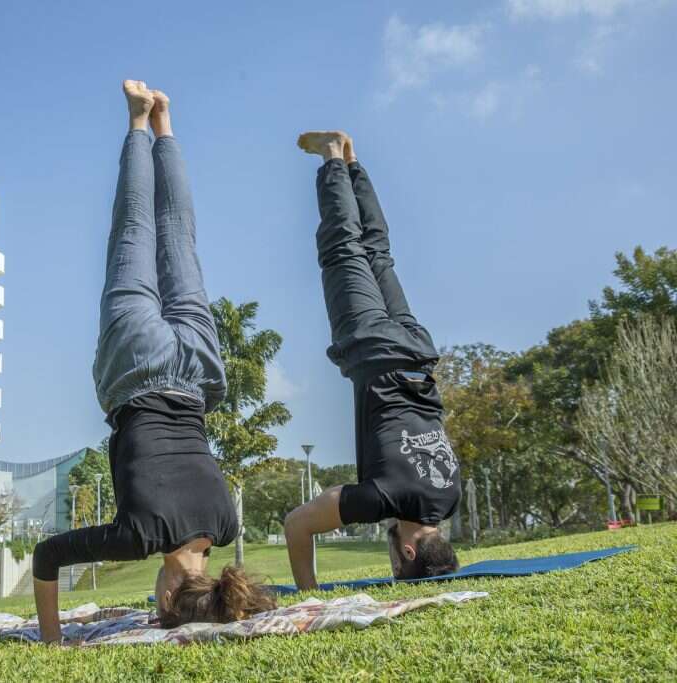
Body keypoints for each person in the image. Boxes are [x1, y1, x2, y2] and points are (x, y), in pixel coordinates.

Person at [31, 80, 275, 643]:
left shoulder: (226, 525)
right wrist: (52, 642)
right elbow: (46, 557)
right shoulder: (137, 537)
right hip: (136, 368)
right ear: (167, 597)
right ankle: (138, 122)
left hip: (196, 372)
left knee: (180, 239)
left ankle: (165, 126)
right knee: (133, 232)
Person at [284, 131, 461, 589]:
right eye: (396, 565)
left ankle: (352, 162)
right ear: (406, 553)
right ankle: (330, 157)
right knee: (342, 248)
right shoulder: (380, 500)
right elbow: (296, 524)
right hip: (373, 349)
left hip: (419, 355)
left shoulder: (450, 498)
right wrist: (311, 597)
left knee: (378, 253)